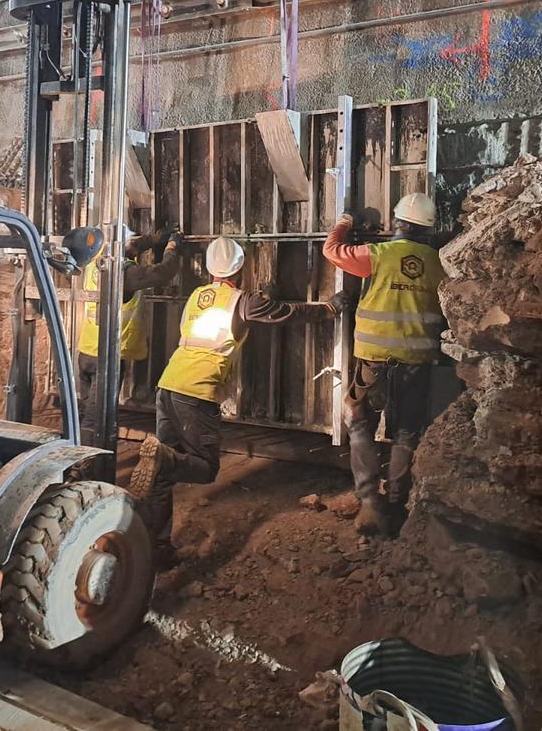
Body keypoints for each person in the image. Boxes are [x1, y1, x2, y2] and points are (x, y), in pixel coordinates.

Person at [129, 235, 333, 567]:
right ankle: (163, 460)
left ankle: (158, 547)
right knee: (205, 468)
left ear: (211, 269)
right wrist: (328, 308)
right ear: (240, 269)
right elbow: (286, 313)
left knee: (161, 477)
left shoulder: (197, 295)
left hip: (168, 385)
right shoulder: (242, 300)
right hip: (198, 392)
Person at [322, 192, 445, 537]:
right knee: (407, 431)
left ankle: (369, 503)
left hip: (374, 361)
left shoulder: (377, 254)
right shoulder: (438, 262)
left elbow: (331, 251)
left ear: (400, 223)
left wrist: (345, 222)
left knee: (359, 422)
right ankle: (397, 503)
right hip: (418, 363)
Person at [77, 226, 182, 431]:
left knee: (85, 411)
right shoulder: (124, 272)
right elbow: (162, 274)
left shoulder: (96, 263)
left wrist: (156, 238)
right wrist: (172, 248)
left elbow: (132, 246)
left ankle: (76, 450)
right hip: (106, 356)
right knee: (97, 418)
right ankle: (89, 461)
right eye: (133, 242)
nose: (136, 245)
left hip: (87, 350)